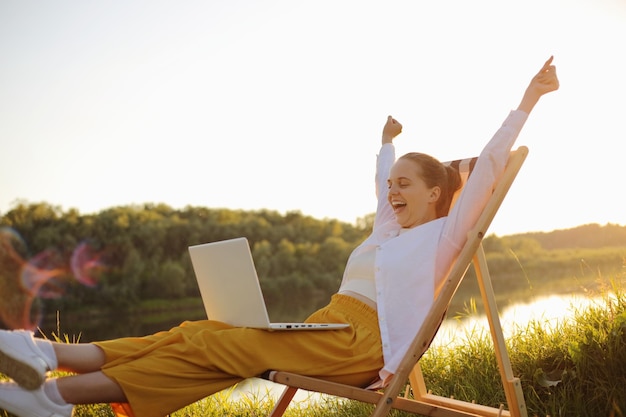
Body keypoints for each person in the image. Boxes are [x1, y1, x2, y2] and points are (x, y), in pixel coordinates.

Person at [0, 57, 559, 417]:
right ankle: (47, 355)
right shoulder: (386, 229)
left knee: (221, 343)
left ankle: (53, 396)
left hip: (362, 345)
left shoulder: (445, 235)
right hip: (327, 323)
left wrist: (528, 99)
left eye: (405, 185)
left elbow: (487, 167)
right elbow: (378, 183)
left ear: (437, 193)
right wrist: (385, 144)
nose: (392, 193)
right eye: (390, 186)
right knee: (202, 329)